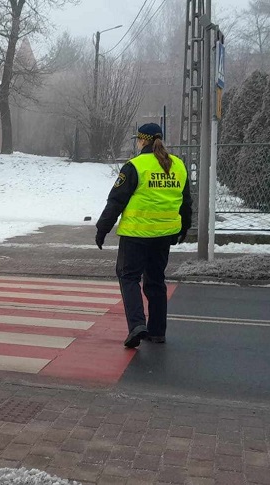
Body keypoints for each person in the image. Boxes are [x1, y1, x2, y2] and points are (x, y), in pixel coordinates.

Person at [95, 123, 192, 348]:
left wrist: (102, 229)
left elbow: (116, 201)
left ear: (141, 140)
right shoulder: (178, 165)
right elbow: (186, 202)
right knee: (156, 280)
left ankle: (137, 325)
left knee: (128, 277)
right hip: (164, 234)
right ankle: (157, 332)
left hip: (136, 234)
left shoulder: (134, 166)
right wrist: (184, 228)